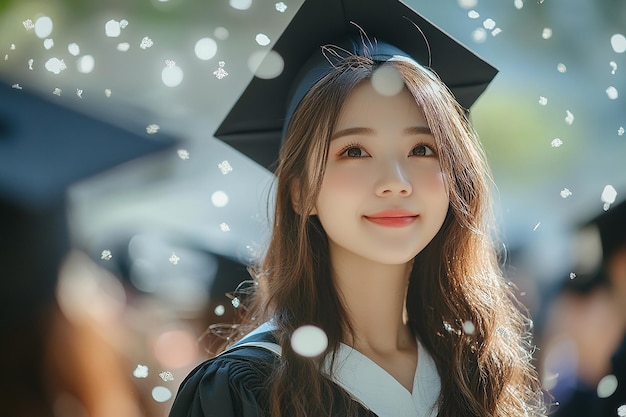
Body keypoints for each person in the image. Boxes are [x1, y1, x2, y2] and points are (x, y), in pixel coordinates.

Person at [168, 0, 546, 416]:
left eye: (422, 148)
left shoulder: (472, 367)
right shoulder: (247, 388)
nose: (395, 183)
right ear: (300, 192)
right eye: (354, 151)